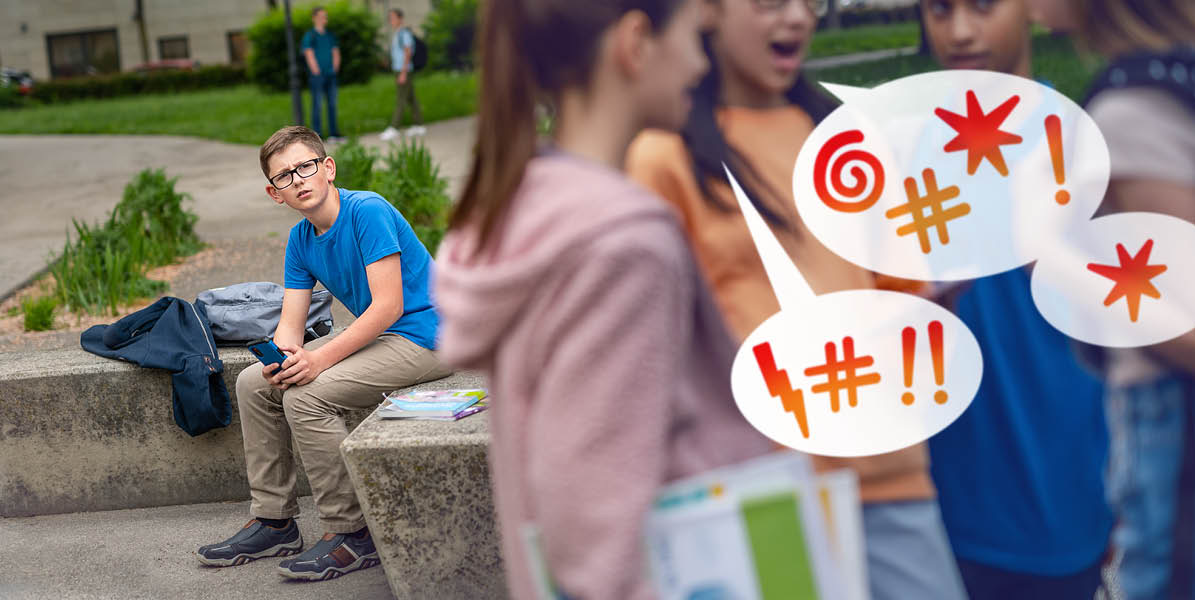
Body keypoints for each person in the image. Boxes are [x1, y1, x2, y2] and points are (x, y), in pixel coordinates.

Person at [433, 0, 776, 597]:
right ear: (636, 42)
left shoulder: (529, 207)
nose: (702, 62)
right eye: (695, 36)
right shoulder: (625, 244)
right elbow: (595, 526)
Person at [625, 1, 966, 598]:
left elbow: (908, 299)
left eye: (810, 2)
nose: (798, 18)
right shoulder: (662, 156)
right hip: (757, 490)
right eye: (769, 3)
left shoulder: (849, 138)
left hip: (887, 474)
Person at [918, 0, 1113, 597]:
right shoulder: (895, 155)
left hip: (1073, 501)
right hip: (947, 511)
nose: (960, 32)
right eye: (939, 9)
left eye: (982, 7)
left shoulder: (1084, 145)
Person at [195, 125, 450, 581]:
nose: (298, 180)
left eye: (305, 167)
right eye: (285, 177)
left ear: (327, 168)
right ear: (275, 194)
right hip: (384, 336)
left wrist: (318, 360)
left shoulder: (366, 210)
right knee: (254, 383)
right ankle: (275, 521)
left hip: (428, 337)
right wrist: (281, 356)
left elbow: (389, 306)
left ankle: (352, 532)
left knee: (308, 394)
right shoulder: (300, 239)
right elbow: (291, 327)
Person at [1031, 0, 1195, 597]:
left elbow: (1186, 328)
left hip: (1176, 423)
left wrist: (1064, 267)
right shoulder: (1180, 82)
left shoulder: (1134, 111)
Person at [381, 9, 426, 141]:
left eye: (393, 18)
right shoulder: (398, 33)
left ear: (400, 18)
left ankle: (394, 127)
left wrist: (404, 73)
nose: (391, 21)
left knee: (401, 98)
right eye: (390, 18)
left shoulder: (404, 33)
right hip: (400, 70)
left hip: (403, 70)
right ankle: (419, 125)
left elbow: (407, 53)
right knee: (411, 98)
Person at [302, 6, 344, 142]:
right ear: (314, 18)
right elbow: (309, 53)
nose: (324, 19)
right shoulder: (311, 35)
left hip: (330, 74)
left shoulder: (329, 35)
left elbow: (335, 51)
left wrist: (335, 68)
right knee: (317, 104)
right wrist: (316, 70)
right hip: (318, 76)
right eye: (321, 16)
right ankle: (318, 135)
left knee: (332, 103)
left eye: (325, 16)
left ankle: (334, 133)